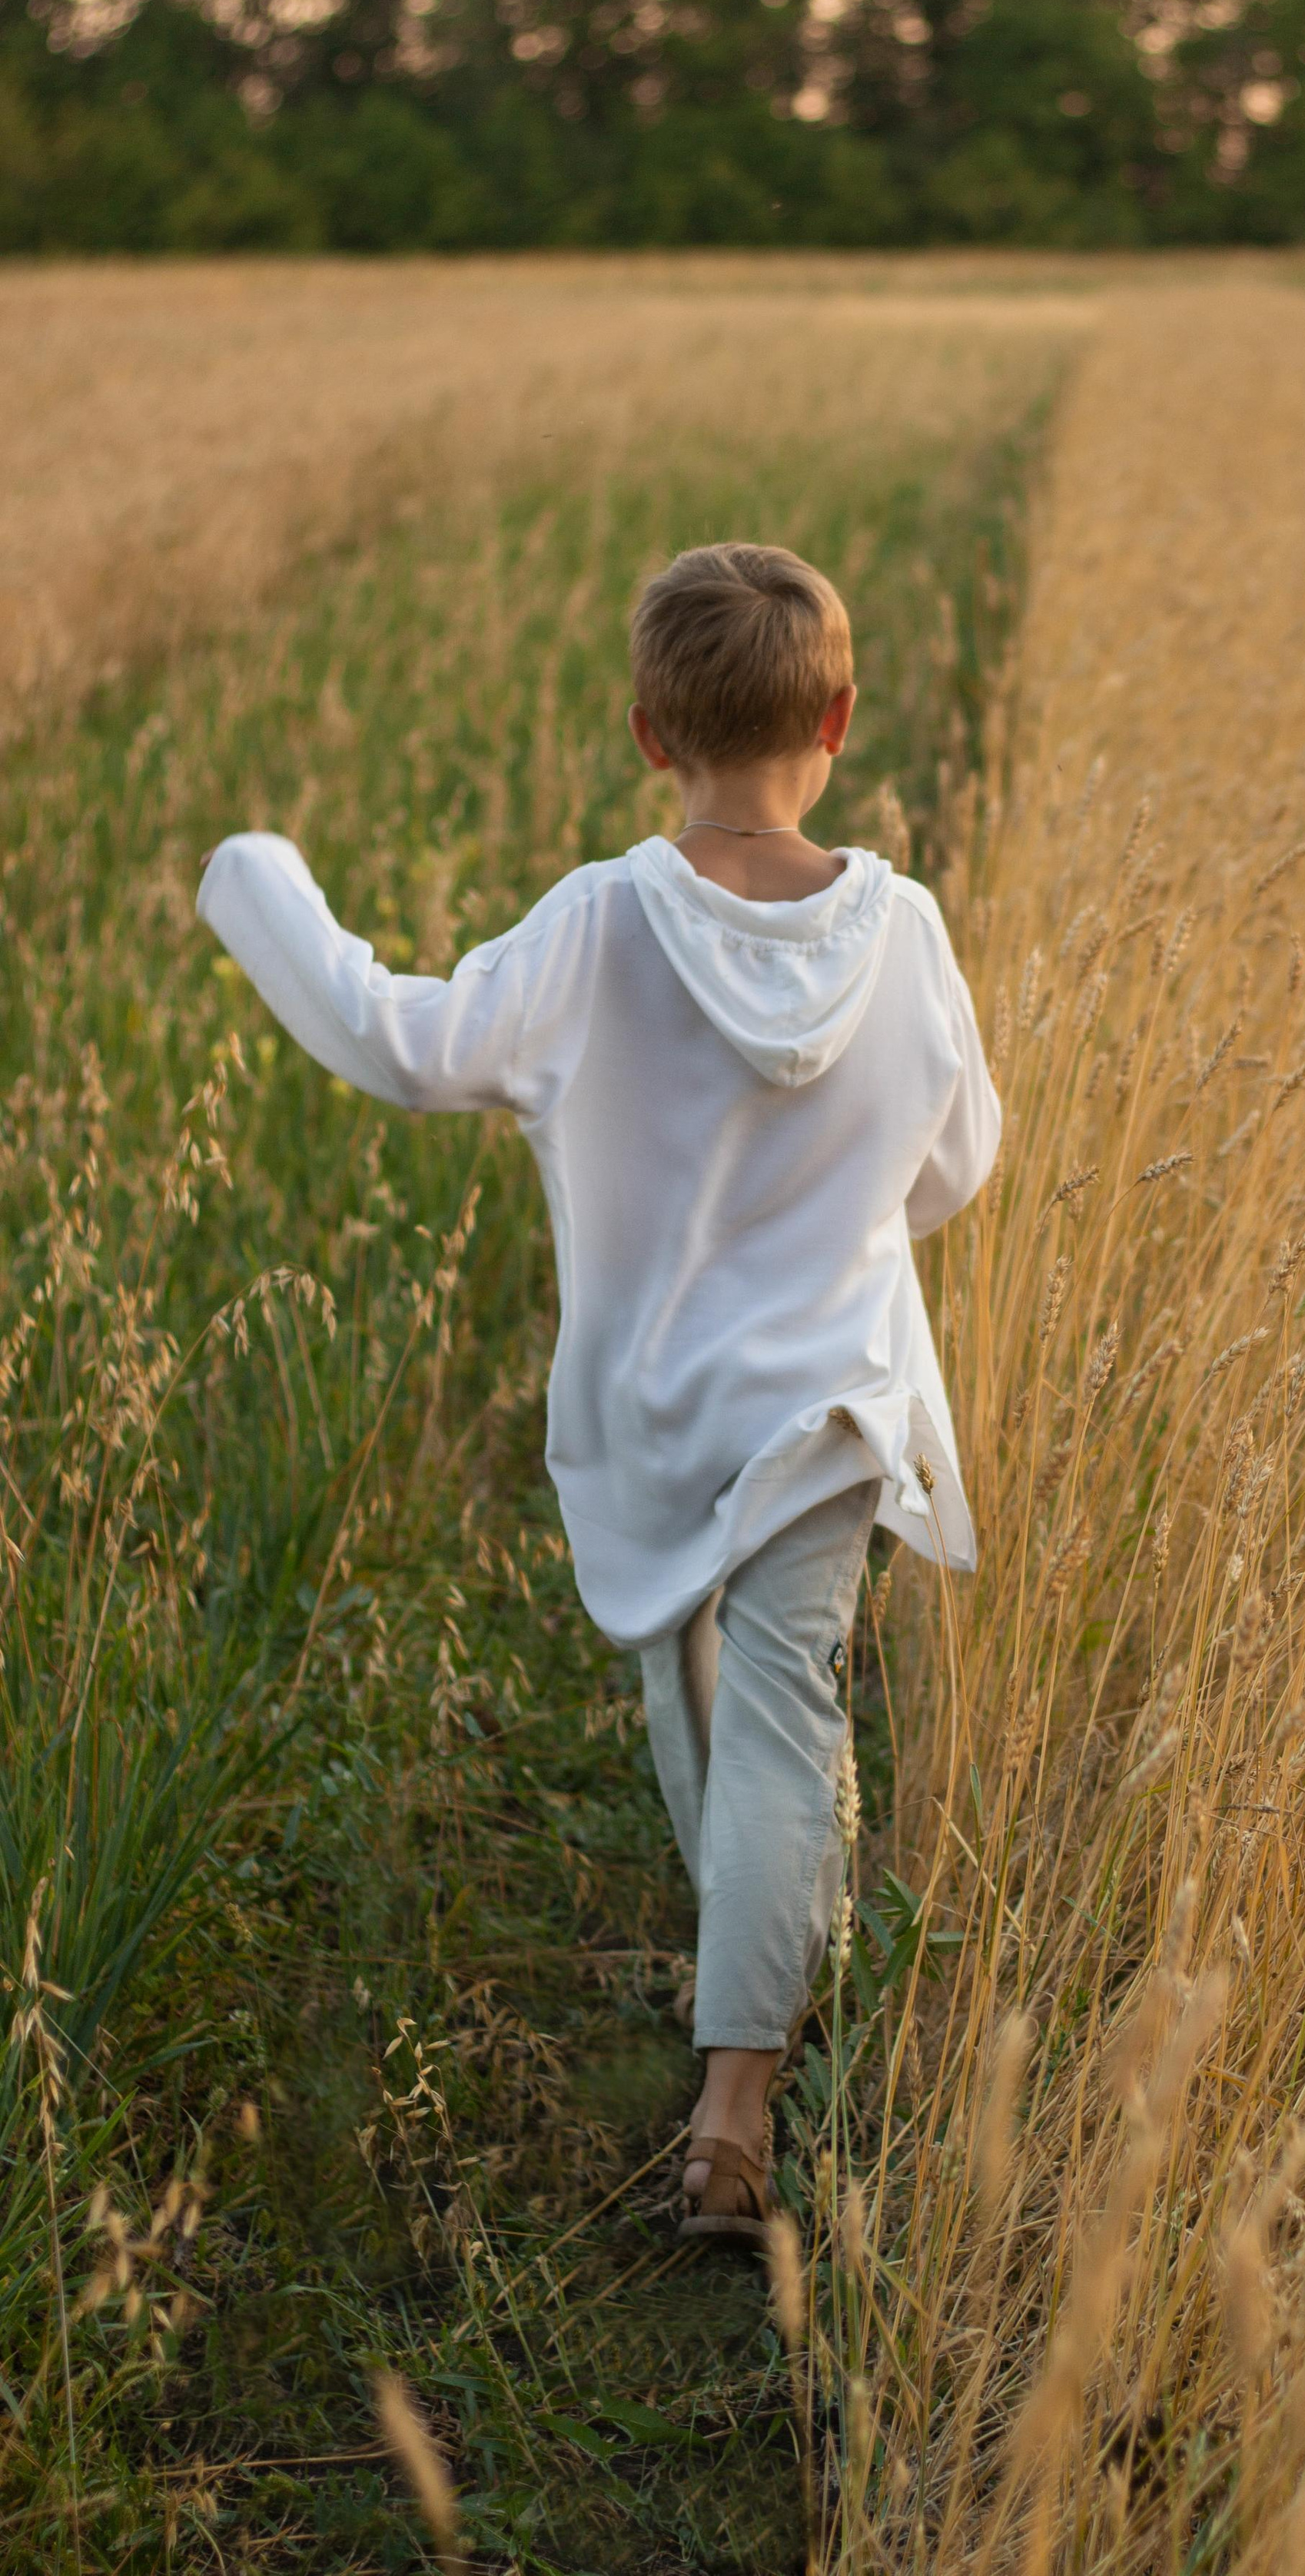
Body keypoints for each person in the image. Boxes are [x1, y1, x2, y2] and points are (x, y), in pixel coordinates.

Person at [196, 541, 1000, 2242]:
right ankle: (764, 2015)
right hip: (830, 1397)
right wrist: (838, 1210)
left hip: (657, 1402)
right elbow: (956, 1164)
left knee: (705, 1691)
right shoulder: (907, 929)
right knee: (784, 1706)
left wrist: (258, 876)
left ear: (648, 733)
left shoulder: (599, 918)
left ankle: (737, 2078)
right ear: (839, 722)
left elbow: (405, 1042)